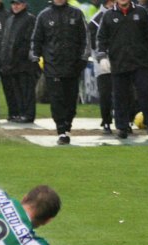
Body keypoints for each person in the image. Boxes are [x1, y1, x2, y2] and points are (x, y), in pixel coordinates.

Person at [30, 0, 90, 145]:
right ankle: (61, 130)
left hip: (73, 67)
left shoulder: (76, 14)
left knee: (70, 101)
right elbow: (36, 40)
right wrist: (35, 59)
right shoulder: (44, 15)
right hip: (52, 67)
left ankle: (67, 125)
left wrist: (83, 59)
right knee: (57, 100)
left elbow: (86, 39)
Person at [97, 0, 148, 138]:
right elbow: (101, 38)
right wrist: (102, 56)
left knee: (146, 93)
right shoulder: (108, 15)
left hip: (141, 62)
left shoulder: (141, 12)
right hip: (119, 63)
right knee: (120, 96)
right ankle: (122, 127)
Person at [0, 0, 38, 123]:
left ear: (24, 4)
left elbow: (28, 41)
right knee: (16, 90)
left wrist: (19, 57)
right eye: (13, 4)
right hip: (11, 63)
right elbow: (6, 41)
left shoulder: (30, 19)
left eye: (18, 3)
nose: (15, 6)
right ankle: (20, 113)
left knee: (26, 89)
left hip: (24, 63)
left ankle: (28, 114)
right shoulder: (10, 19)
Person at [88, 0, 115, 134]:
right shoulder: (96, 20)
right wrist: (102, 57)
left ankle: (125, 121)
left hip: (121, 61)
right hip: (103, 63)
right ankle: (106, 121)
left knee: (124, 93)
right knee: (105, 94)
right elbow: (93, 44)